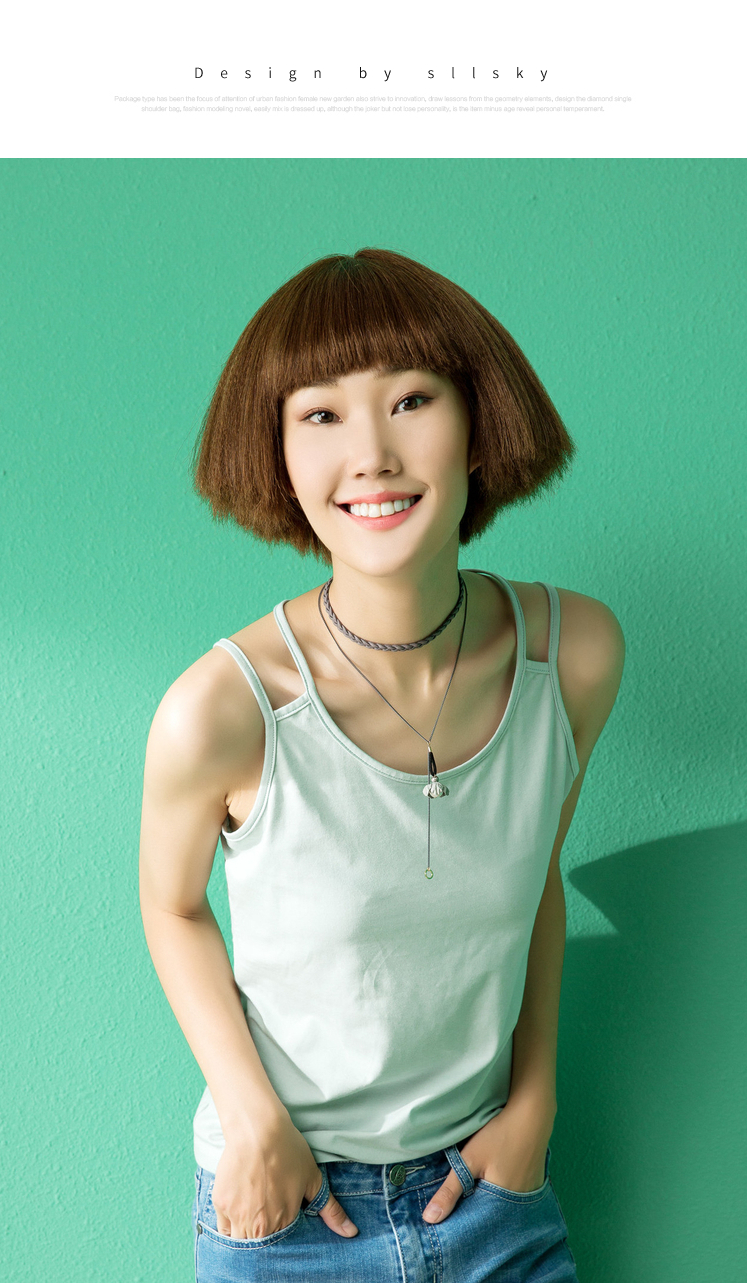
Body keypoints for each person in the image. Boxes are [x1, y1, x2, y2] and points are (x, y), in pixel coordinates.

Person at [139, 247, 625, 1282]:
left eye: (410, 399)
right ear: (275, 451)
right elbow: (171, 906)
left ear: (478, 419)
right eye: (320, 414)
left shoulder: (572, 655)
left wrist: (534, 1102)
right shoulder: (223, 709)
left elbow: (536, 875)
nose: (370, 454)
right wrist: (252, 1119)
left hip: (493, 1198)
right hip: (291, 1207)